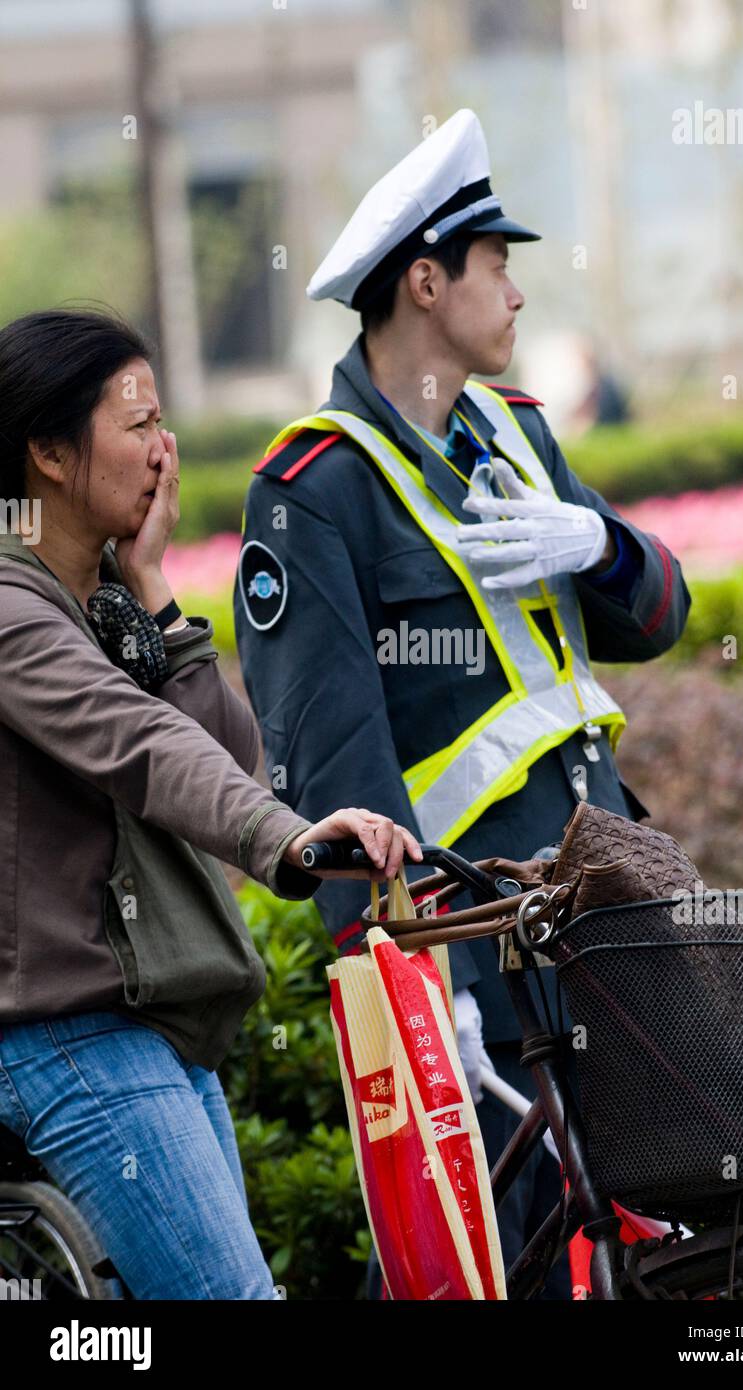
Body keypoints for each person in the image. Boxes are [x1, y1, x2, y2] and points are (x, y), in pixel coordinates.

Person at [234, 109, 691, 1298]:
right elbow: (331, 765)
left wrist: (598, 544)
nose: (517, 297)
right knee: (494, 1259)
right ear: (426, 283)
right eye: (499, 267)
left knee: (649, 1241)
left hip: (596, 904)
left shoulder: (520, 438)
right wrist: (406, 991)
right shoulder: (312, 490)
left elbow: (657, 619)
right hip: (464, 946)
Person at [0, 308, 421, 1301]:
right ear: (52, 454)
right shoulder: (14, 611)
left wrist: (149, 584)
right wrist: (292, 840)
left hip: (151, 1026)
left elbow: (230, 757)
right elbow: (141, 746)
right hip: (71, 1033)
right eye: (139, 425)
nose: (166, 451)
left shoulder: (97, 598)